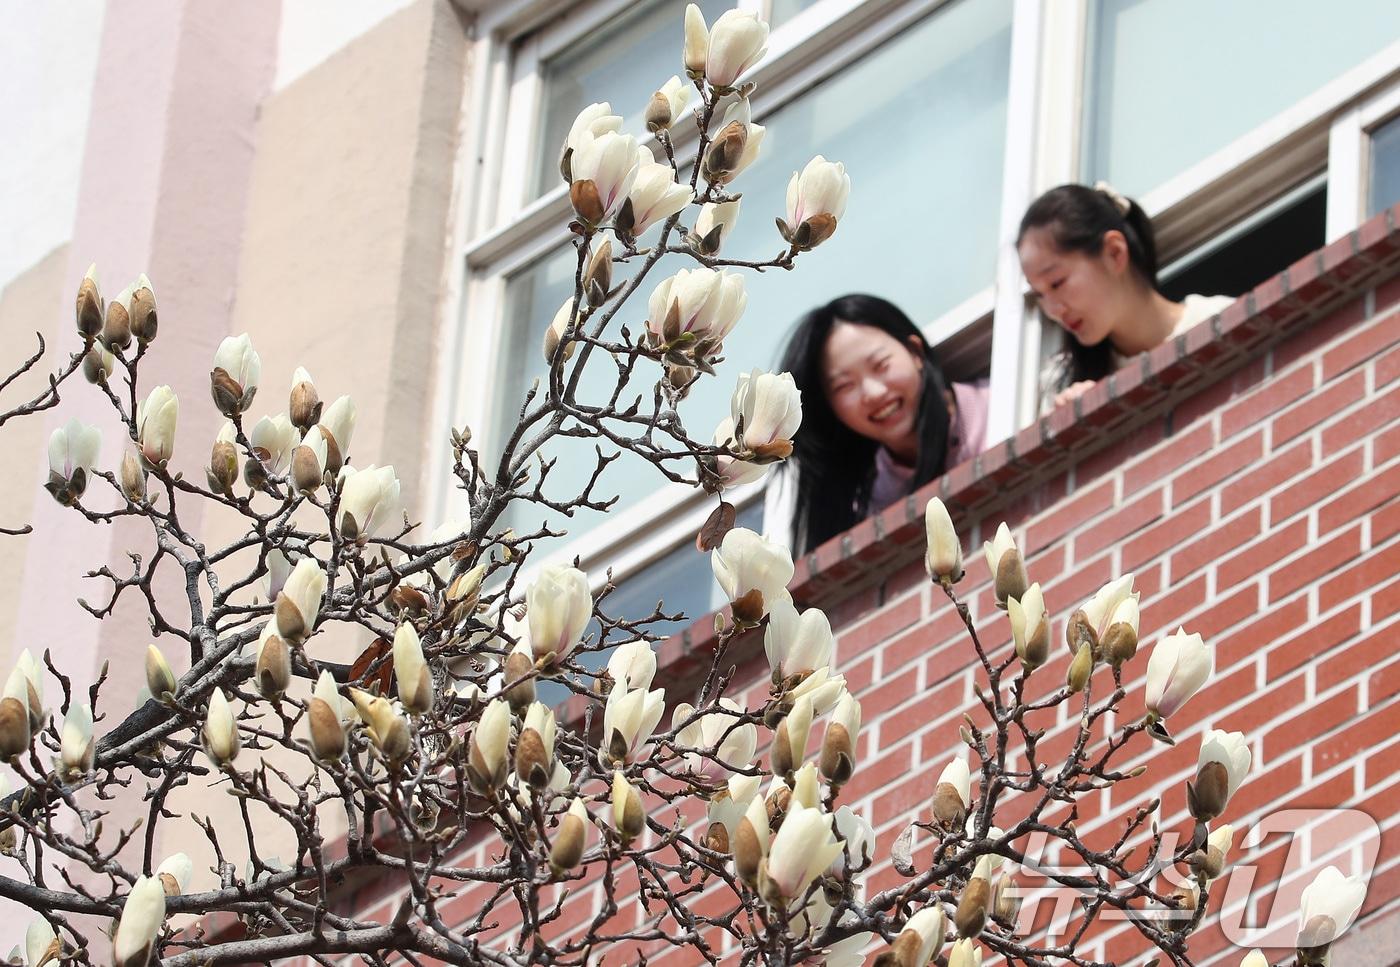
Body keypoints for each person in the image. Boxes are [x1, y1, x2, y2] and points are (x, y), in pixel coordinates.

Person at [769, 294, 990, 555]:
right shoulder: (867, 511)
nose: (872, 392)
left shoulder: (1007, 402)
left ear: (915, 352)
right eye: (844, 386)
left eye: (881, 365)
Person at [1018, 183, 1234, 411]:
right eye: (1039, 295)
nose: (1053, 310)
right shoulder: (1059, 384)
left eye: (1057, 282)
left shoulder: (1221, 320)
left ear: (1114, 252)